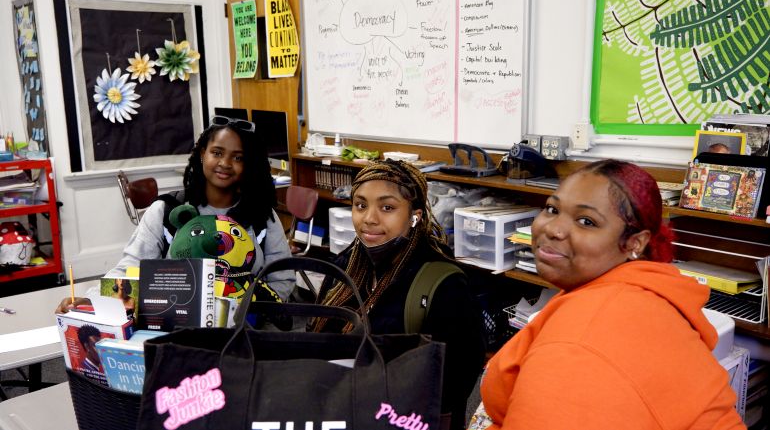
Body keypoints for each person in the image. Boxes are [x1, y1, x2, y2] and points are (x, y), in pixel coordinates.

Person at [477, 159, 744, 429]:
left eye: (586, 221)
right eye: (552, 208)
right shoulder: (639, 290)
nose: (553, 229)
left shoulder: (579, 345)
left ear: (634, 242)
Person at [310, 159, 486, 430]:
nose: (369, 218)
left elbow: (455, 382)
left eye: (387, 207)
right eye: (360, 205)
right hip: (341, 412)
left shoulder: (442, 285)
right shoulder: (344, 268)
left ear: (415, 215)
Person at [57, 115, 294, 313]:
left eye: (238, 157)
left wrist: (249, 311)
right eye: (217, 153)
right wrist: (92, 300)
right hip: (174, 329)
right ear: (203, 153)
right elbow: (130, 268)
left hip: (243, 334)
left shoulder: (261, 216)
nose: (225, 163)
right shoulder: (166, 210)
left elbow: (282, 279)